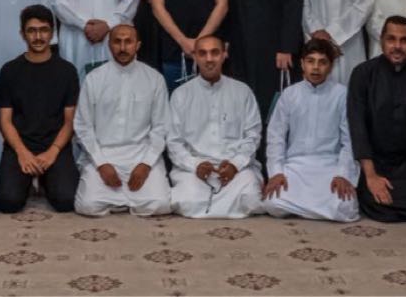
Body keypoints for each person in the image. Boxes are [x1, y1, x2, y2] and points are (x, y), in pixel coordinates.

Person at [348, 16, 406, 222]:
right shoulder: (363, 73)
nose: (397, 46)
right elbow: (357, 126)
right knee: (379, 207)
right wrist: (371, 176)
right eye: (391, 39)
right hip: (374, 162)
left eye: (403, 40)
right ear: (381, 40)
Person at [73, 25, 171, 217]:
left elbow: (161, 127)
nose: (123, 47)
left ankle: (119, 201)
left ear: (138, 45)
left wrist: (146, 164)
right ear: (109, 45)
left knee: (161, 204)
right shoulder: (94, 78)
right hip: (103, 154)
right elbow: (83, 127)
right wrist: (101, 163)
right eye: (117, 42)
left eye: (128, 42)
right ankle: (130, 201)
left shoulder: (154, 79)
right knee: (87, 206)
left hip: (141, 154)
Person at [262, 38, 359, 222]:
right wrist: (276, 172)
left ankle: (302, 209)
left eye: (322, 62)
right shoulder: (289, 94)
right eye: (310, 61)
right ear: (302, 64)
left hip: (330, 166)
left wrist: (343, 174)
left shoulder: (342, 95)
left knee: (345, 207)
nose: (315, 68)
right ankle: (319, 211)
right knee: (272, 203)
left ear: (330, 66)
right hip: (296, 166)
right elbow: (276, 137)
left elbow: (349, 140)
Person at [0, 5, 80, 214]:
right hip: (19, 147)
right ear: (22, 34)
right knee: (8, 202)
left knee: (66, 201)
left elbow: (70, 121)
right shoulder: (9, 71)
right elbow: (5, 120)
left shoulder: (67, 71)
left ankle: (43, 180)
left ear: (52, 33)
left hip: (55, 146)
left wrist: (53, 152)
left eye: (43, 30)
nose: (38, 36)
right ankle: (29, 180)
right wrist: (22, 153)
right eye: (32, 31)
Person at [167, 35, 263, 219]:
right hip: (195, 170)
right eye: (203, 53)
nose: (209, 59)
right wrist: (195, 165)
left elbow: (253, 136)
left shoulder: (242, 91)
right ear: (195, 56)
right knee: (186, 201)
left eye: (214, 53)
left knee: (251, 199)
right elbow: (174, 142)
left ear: (224, 54)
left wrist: (235, 164)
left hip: (236, 169)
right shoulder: (181, 95)